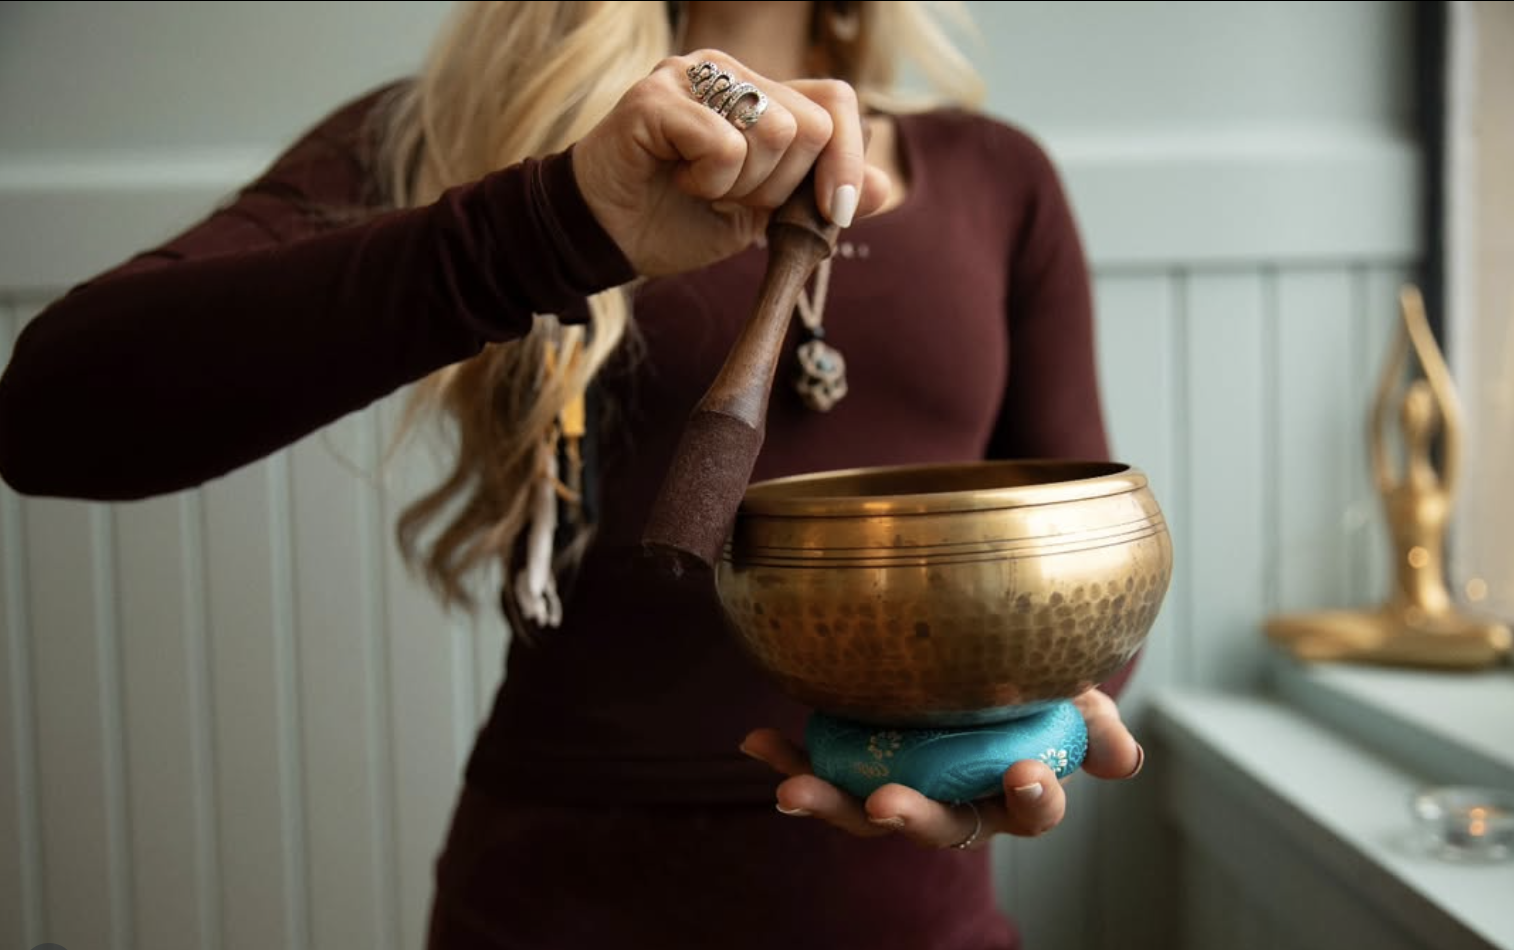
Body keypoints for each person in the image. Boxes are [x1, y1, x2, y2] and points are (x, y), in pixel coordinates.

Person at [0, 2, 1144, 947]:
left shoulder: (998, 178)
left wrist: (1013, 745)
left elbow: (1082, 585)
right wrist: (555, 220)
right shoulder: (453, 132)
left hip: (915, 923)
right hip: (559, 903)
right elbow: (54, 415)